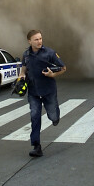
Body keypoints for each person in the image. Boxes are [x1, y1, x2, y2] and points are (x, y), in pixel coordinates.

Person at [18, 29, 66, 158]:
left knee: (53, 115)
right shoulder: (26, 54)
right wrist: (21, 78)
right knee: (35, 117)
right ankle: (36, 146)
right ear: (29, 41)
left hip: (48, 91)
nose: (39, 41)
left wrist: (53, 74)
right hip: (33, 92)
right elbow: (23, 70)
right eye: (36, 39)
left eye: (40, 38)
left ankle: (55, 117)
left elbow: (63, 67)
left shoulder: (49, 53)